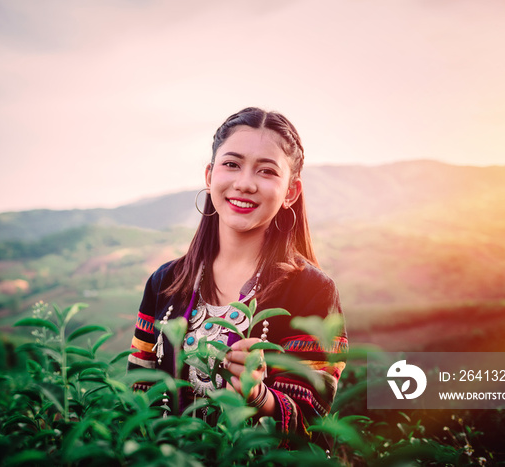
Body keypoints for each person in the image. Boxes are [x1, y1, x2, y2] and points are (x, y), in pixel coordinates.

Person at [127, 107, 347, 443]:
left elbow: (313, 421)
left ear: (291, 191)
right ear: (209, 174)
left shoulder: (312, 292)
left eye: (266, 171)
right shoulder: (164, 283)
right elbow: (137, 397)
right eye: (231, 164)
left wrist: (259, 395)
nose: (244, 183)